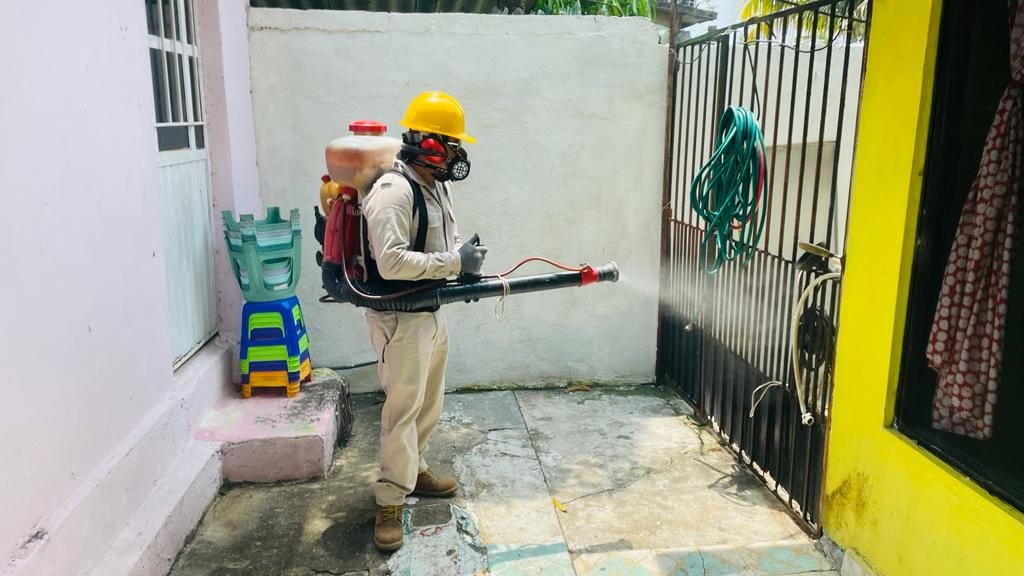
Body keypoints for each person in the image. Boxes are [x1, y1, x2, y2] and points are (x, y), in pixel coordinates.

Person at [360, 91, 487, 552]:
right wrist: (454, 262)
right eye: (452, 144)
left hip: (431, 313)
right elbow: (391, 261)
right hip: (400, 322)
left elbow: (442, 244)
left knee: (429, 402)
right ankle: (390, 501)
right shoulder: (393, 192)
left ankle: (414, 471)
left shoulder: (437, 184)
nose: (457, 154)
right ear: (430, 144)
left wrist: (463, 265)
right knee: (401, 412)